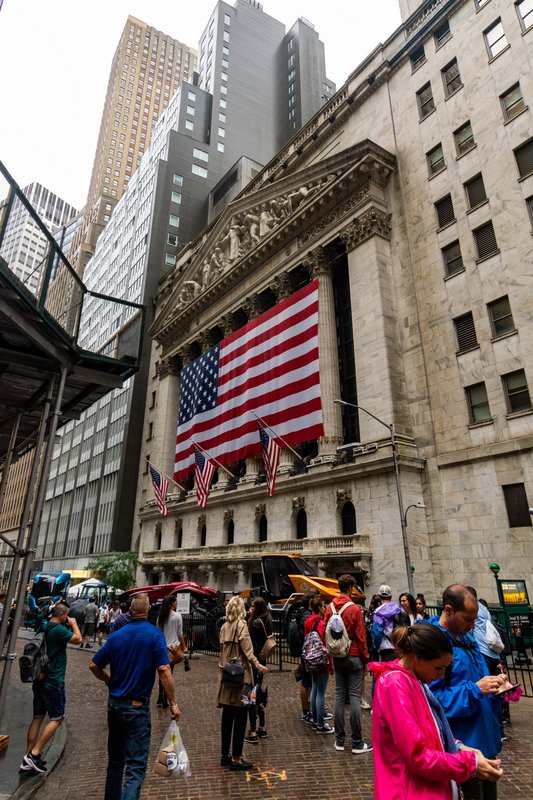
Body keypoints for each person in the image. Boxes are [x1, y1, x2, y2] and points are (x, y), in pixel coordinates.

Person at [370, 622, 504, 799]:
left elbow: (432, 730)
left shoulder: (414, 681)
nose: (442, 675)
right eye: (439, 668)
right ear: (418, 657)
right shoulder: (396, 684)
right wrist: (469, 764)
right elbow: (417, 756)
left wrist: (460, 747)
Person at [88, 593, 180, 800]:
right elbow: (164, 670)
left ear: (130, 611)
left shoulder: (116, 636)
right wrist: (173, 703)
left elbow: (93, 665)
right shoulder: (154, 635)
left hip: (115, 706)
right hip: (137, 708)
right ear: (147, 611)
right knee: (135, 767)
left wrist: (107, 679)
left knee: (115, 763)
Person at [428, 585, 506, 800]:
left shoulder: (468, 639)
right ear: (449, 610)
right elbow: (434, 704)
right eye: (468, 619)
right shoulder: (434, 645)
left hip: (486, 743)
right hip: (463, 747)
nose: (472, 626)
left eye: (474, 620)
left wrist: (497, 689)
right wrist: (476, 690)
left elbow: (481, 686)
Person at [20, 603, 82, 774]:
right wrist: (74, 623)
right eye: (66, 615)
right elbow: (78, 639)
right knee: (57, 717)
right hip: (53, 679)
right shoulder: (59, 630)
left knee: (37, 717)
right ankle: (34, 754)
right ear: (62, 615)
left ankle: (27, 758)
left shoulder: (44, 625)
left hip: (39, 678)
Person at [217, 596, 268, 771]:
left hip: (226, 676)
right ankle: (237, 758)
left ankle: (225, 754)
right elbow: (248, 652)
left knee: (227, 715)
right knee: (241, 714)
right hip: (242, 677)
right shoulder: (241, 625)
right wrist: (259, 666)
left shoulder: (224, 627)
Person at [323, 574, 371, 754]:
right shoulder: (355, 609)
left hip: (337, 656)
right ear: (351, 587)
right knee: (354, 698)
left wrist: (330, 659)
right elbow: (361, 636)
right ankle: (357, 742)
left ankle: (340, 740)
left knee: (339, 696)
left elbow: (325, 633)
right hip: (354, 656)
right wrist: (366, 659)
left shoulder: (329, 608)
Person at [303, 596, 334, 733]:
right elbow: (326, 643)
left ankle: (314, 719)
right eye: (323, 606)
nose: (324, 608)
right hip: (321, 660)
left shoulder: (307, 622)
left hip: (310, 659)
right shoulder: (321, 624)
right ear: (319, 608)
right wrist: (330, 663)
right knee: (321, 691)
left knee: (315, 687)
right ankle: (320, 723)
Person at [245, 596, 272, 742]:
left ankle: (253, 730)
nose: (251, 608)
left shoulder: (255, 623)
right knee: (259, 690)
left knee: (252, 694)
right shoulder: (267, 619)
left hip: (255, 662)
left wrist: (248, 618)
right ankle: (262, 727)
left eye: (254, 606)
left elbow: (251, 643)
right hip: (263, 659)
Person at [156, 595, 186, 708]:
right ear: (172, 603)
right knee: (169, 674)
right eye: (176, 602)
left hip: (161, 648)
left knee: (161, 673)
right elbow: (180, 634)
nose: (177, 604)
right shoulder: (177, 616)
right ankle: (165, 698)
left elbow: (157, 634)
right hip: (172, 649)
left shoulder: (160, 617)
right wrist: (183, 647)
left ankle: (160, 696)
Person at [372, 584, 410, 661]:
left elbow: (377, 634)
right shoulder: (399, 609)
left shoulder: (378, 613)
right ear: (391, 597)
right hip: (401, 650)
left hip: (386, 651)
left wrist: (376, 646)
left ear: (379, 597)